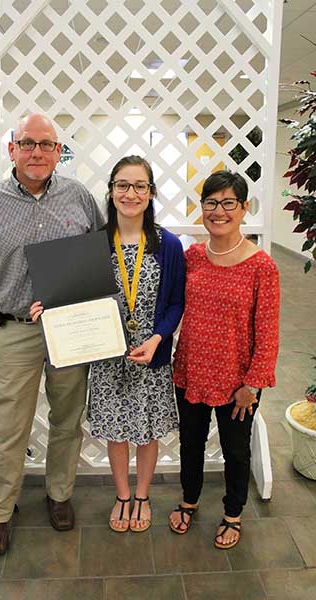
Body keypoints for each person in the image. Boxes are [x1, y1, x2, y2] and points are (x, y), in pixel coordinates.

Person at [0, 113, 104, 556]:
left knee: (66, 419)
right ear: (12, 149)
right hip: (15, 331)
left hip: (69, 332)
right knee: (9, 427)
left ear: (59, 151)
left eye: (46, 144)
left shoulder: (79, 197)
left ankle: (59, 495)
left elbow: (95, 259)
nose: (36, 152)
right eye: (27, 143)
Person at [31, 155, 185, 532]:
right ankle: (122, 495)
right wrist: (47, 308)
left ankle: (143, 495)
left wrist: (157, 338)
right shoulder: (93, 244)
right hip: (105, 355)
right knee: (116, 431)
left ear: (150, 193)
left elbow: (177, 301)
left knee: (147, 432)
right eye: (122, 185)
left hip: (150, 354)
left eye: (139, 186)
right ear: (111, 191)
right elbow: (73, 295)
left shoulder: (168, 245)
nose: (130, 193)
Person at [169, 170, 279, 549]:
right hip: (191, 370)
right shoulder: (193, 257)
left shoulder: (262, 266)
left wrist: (253, 383)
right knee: (191, 442)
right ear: (202, 209)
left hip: (238, 381)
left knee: (235, 449)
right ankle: (189, 499)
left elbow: (268, 332)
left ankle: (233, 513)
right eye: (211, 203)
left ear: (243, 208)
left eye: (228, 203)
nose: (219, 211)